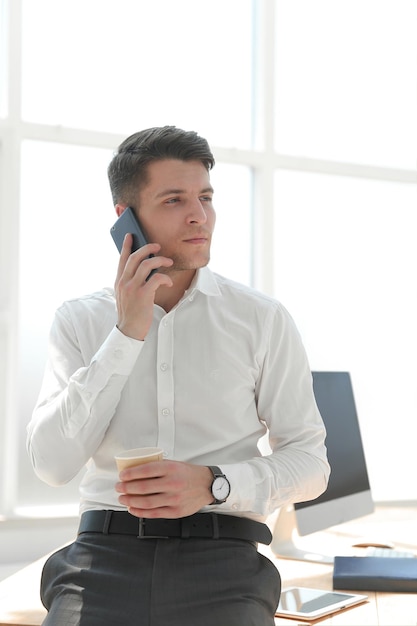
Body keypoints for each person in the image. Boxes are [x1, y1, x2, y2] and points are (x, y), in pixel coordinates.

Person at [27, 125, 330, 626]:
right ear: (126, 218)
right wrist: (126, 334)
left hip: (225, 561)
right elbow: (52, 465)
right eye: (174, 199)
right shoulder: (80, 321)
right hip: (101, 555)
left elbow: (311, 463)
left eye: (205, 197)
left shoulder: (261, 319)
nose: (199, 215)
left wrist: (214, 485)